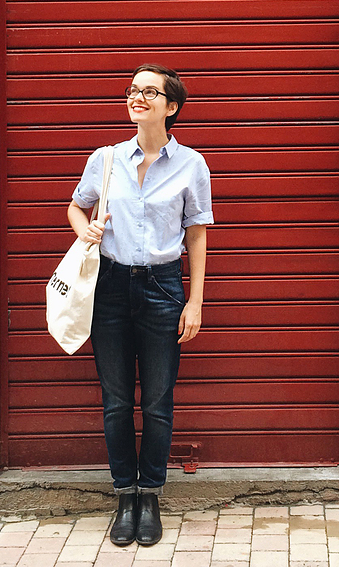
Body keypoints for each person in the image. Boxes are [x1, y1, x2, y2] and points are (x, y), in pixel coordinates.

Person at [68, 64, 213, 547]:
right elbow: (76, 205)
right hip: (109, 286)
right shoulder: (105, 159)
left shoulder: (191, 164)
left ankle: (149, 495)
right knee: (115, 401)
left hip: (163, 287)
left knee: (155, 401)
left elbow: (196, 235)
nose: (138, 97)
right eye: (133, 90)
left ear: (171, 107)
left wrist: (194, 301)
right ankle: (123, 496)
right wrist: (82, 228)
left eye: (150, 92)